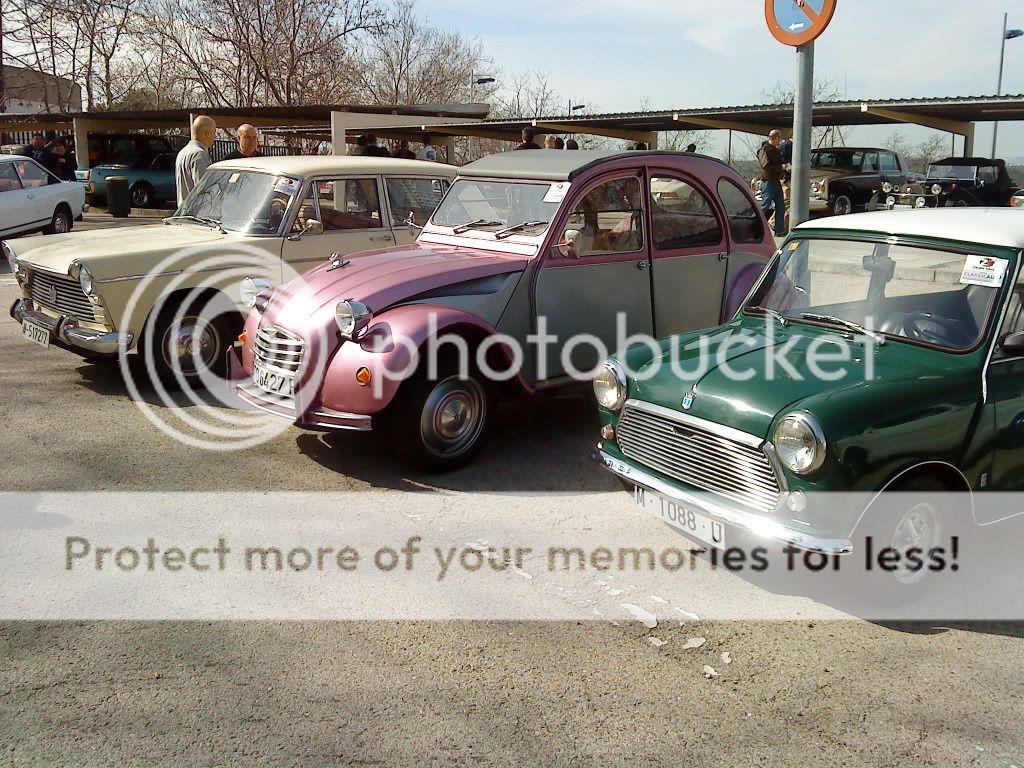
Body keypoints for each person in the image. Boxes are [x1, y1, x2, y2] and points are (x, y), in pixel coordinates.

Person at [175, 114, 216, 206]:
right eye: (214, 132)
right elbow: (203, 189)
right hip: (195, 213)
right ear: (207, 133)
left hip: (183, 210)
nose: (215, 136)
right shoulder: (199, 154)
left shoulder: (182, 152)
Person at [758, 129, 787, 237]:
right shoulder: (764, 150)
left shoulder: (775, 150)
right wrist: (780, 167)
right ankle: (753, 223)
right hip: (768, 182)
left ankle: (779, 229)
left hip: (775, 181)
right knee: (765, 205)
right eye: (779, 139)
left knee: (780, 206)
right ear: (774, 138)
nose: (780, 142)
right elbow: (765, 166)